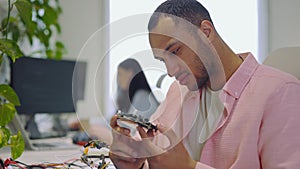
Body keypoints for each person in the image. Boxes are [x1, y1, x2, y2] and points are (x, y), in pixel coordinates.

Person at [109, 0, 300, 169]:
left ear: (206, 33)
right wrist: (137, 163)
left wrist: (188, 168)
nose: (170, 71)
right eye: (162, 61)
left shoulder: (282, 93)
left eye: (175, 51)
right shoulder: (179, 90)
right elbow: (159, 159)